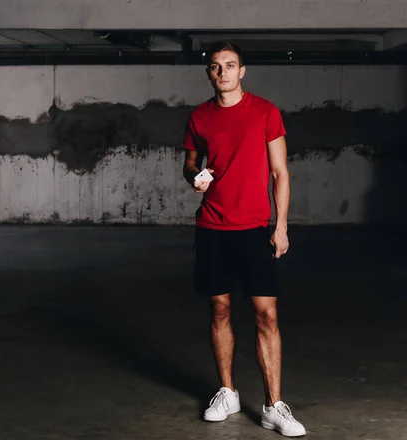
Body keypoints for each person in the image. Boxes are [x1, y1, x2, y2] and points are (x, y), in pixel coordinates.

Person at [182, 41, 306, 437]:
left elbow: (279, 172)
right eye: (216, 67)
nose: (223, 73)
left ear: (242, 70)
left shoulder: (266, 112)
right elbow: (189, 160)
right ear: (209, 73)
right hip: (213, 227)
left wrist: (281, 224)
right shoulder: (199, 117)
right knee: (219, 310)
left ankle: (273, 405)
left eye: (230, 65)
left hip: (255, 229)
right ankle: (228, 391)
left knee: (266, 315)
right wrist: (193, 176)